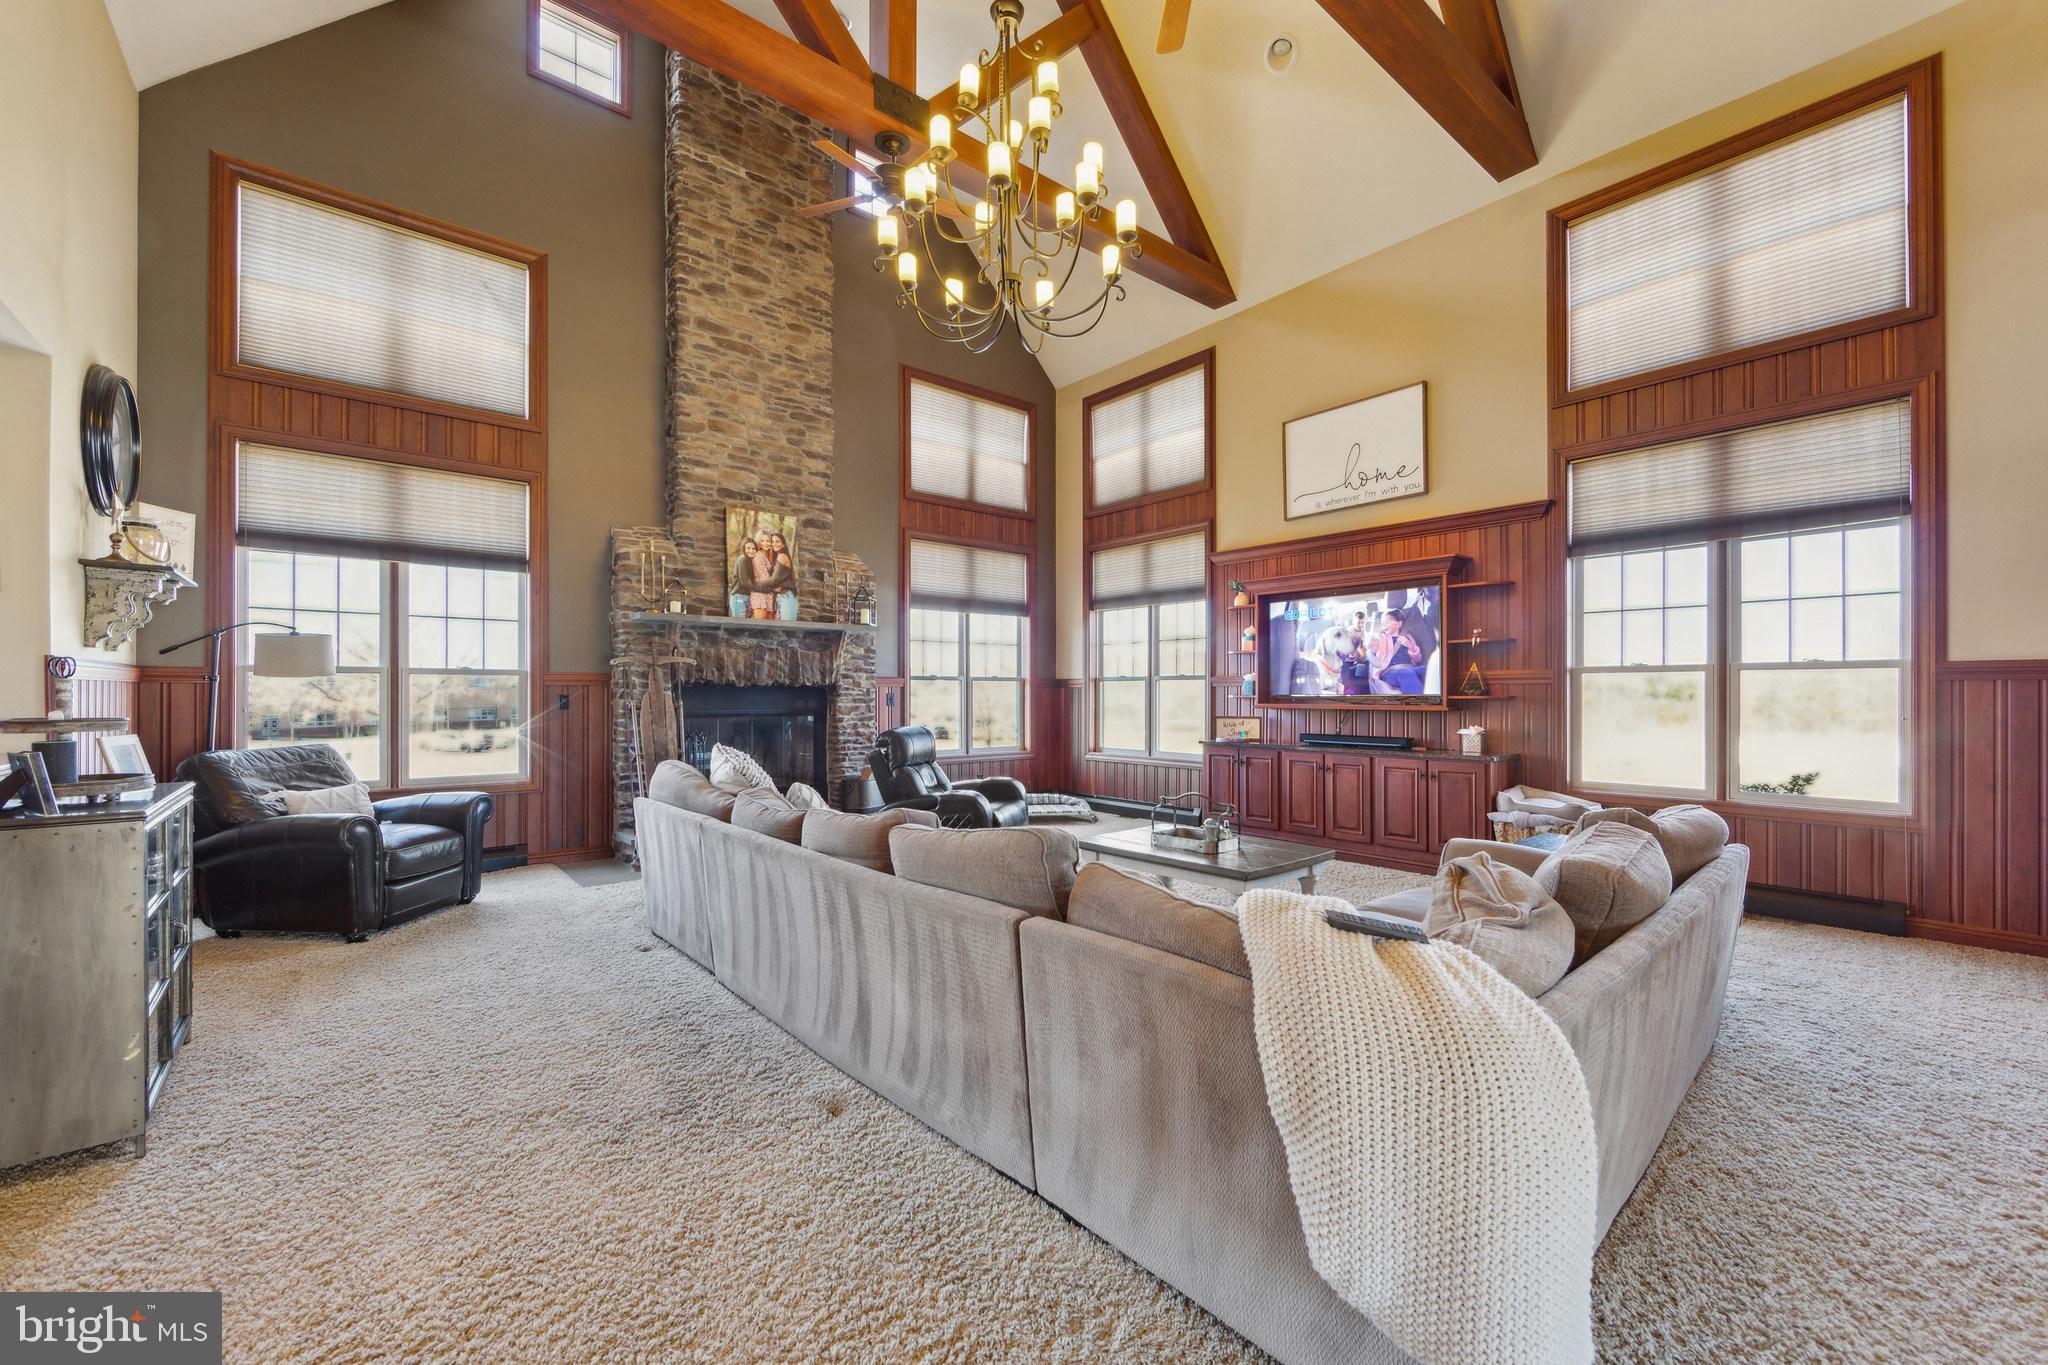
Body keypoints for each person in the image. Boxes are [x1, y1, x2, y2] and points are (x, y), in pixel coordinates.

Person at [729, 538, 759, 618]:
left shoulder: (750, 560)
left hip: (747, 598)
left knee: (746, 626)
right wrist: (761, 588)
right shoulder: (742, 559)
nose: (751, 551)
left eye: (753, 548)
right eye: (748, 548)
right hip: (739, 598)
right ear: (744, 549)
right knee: (739, 626)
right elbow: (745, 581)